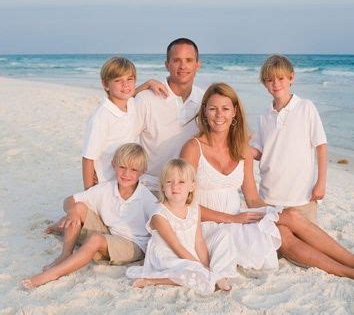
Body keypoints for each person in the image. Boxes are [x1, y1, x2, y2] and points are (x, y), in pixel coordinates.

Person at [180, 82, 354, 280]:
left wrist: (277, 212)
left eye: (225, 108)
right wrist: (232, 218)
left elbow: (251, 198)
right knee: (283, 235)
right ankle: (353, 272)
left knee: (290, 218)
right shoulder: (193, 148)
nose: (219, 115)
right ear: (205, 112)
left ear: (235, 112)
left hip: (237, 218)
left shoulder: (241, 150)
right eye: (213, 108)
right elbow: (182, 204)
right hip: (206, 227)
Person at [23, 143, 158, 288]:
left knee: (95, 239)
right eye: (122, 167)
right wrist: (72, 212)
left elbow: (160, 228)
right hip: (110, 232)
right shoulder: (107, 188)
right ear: (114, 165)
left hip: (133, 245)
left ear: (142, 172)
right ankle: (65, 255)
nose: (126, 174)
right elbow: (68, 201)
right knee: (78, 207)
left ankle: (54, 273)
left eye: (133, 170)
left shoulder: (146, 198)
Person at [126, 159, 237, 294]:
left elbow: (199, 241)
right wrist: (200, 268)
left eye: (181, 182)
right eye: (169, 182)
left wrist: (206, 267)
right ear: (162, 187)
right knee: (190, 272)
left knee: (223, 235)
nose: (175, 186)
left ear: (192, 186)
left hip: (190, 251)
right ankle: (153, 280)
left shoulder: (194, 208)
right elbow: (177, 247)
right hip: (169, 257)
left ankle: (217, 273)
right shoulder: (159, 215)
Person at [251, 55, 327, 224]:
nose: (276, 84)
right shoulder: (264, 115)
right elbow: (259, 152)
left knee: (307, 243)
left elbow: (321, 145)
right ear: (264, 83)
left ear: (291, 77)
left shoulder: (306, 107)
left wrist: (321, 182)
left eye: (281, 78)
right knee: (276, 247)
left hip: (302, 197)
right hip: (269, 196)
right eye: (269, 80)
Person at [82, 56, 168, 190]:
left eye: (130, 79)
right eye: (118, 80)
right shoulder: (102, 116)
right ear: (105, 84)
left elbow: (131, 93)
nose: (126, 85)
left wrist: (149, 83)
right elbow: (88, 157)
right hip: (104, 182)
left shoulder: (130, 103)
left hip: (125, 180)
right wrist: (88, 191)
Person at [134, 38, 204, 195]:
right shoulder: (146, 98)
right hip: (151, 187)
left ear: (197, 65)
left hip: (189, 188)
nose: (183, 66)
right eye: (176, 60)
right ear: (167, 64)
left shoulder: (205, 100)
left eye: (189, 60)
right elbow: (122, 130)